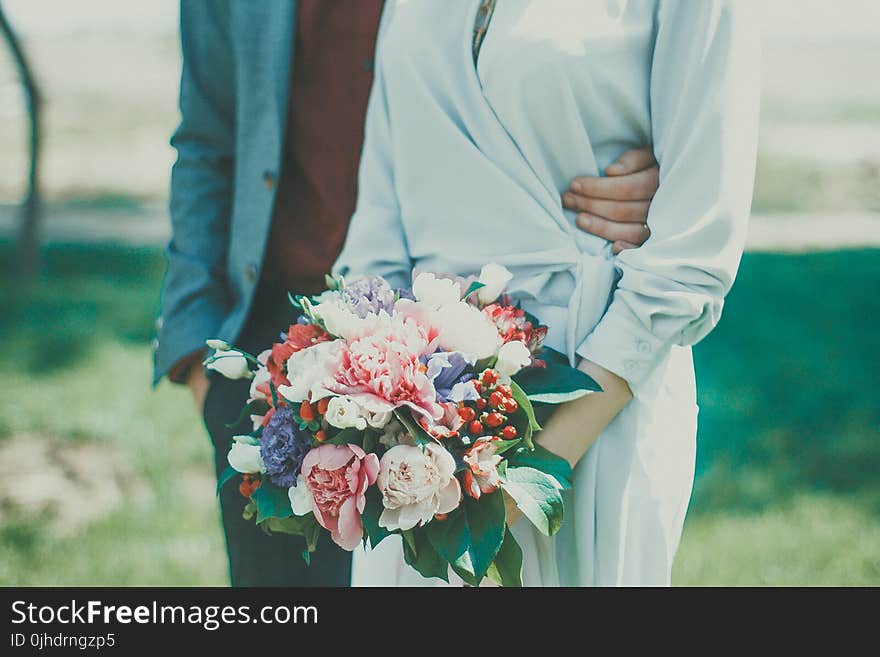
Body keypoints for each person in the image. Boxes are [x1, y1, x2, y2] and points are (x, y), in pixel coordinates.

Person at [152, 1, 661, 587]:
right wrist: (197, 359)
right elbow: (205, 140)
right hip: (277, 344)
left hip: (444, 355)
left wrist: (655, 175)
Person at [333, 0, 759, 586]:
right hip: (410, 431)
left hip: (597, 390)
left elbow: (692, 249)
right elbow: (378, 228)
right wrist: (364, 404)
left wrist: (538, 471)